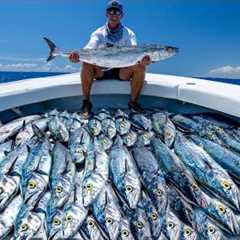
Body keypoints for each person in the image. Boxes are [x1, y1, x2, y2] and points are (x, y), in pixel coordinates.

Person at [69, 0, 151, 117]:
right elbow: (89, 48)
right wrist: (77, 55)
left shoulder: (129, 33)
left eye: (117, 12)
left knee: (140, 66)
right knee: (86, 64)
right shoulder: (98, 33)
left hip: (122, 71)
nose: (114, 15)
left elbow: (134, 51)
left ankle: (133, 103)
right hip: (102, 70)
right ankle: (86, 103)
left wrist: (142, 59)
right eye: (111, 11)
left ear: (121, 15)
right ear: (106, 14)